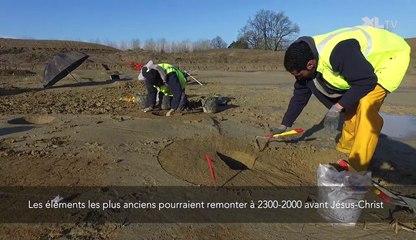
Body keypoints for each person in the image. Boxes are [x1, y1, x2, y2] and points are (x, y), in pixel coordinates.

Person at [273, 26, 410, 171]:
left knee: (366, 106)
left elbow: (366, 81)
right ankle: (346, 146)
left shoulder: (339, 52)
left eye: (299, 74)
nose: (297, 78)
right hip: (359, 66)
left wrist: (336, 107)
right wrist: (284, 125)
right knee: (350, 103)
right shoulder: (306, 56)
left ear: (310, 64)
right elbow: (300, 96)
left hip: (388, 57)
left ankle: (358, 166)